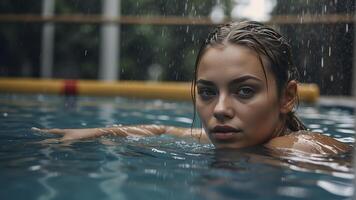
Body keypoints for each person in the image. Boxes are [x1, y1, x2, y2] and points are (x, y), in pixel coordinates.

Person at [33, 21, 350, 155]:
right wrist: (95, 132)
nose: (220, 110)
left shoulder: (298, 149)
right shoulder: (243, 138)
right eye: (208, 92)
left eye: (244, 91)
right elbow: (160, 129)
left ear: (287, 97)